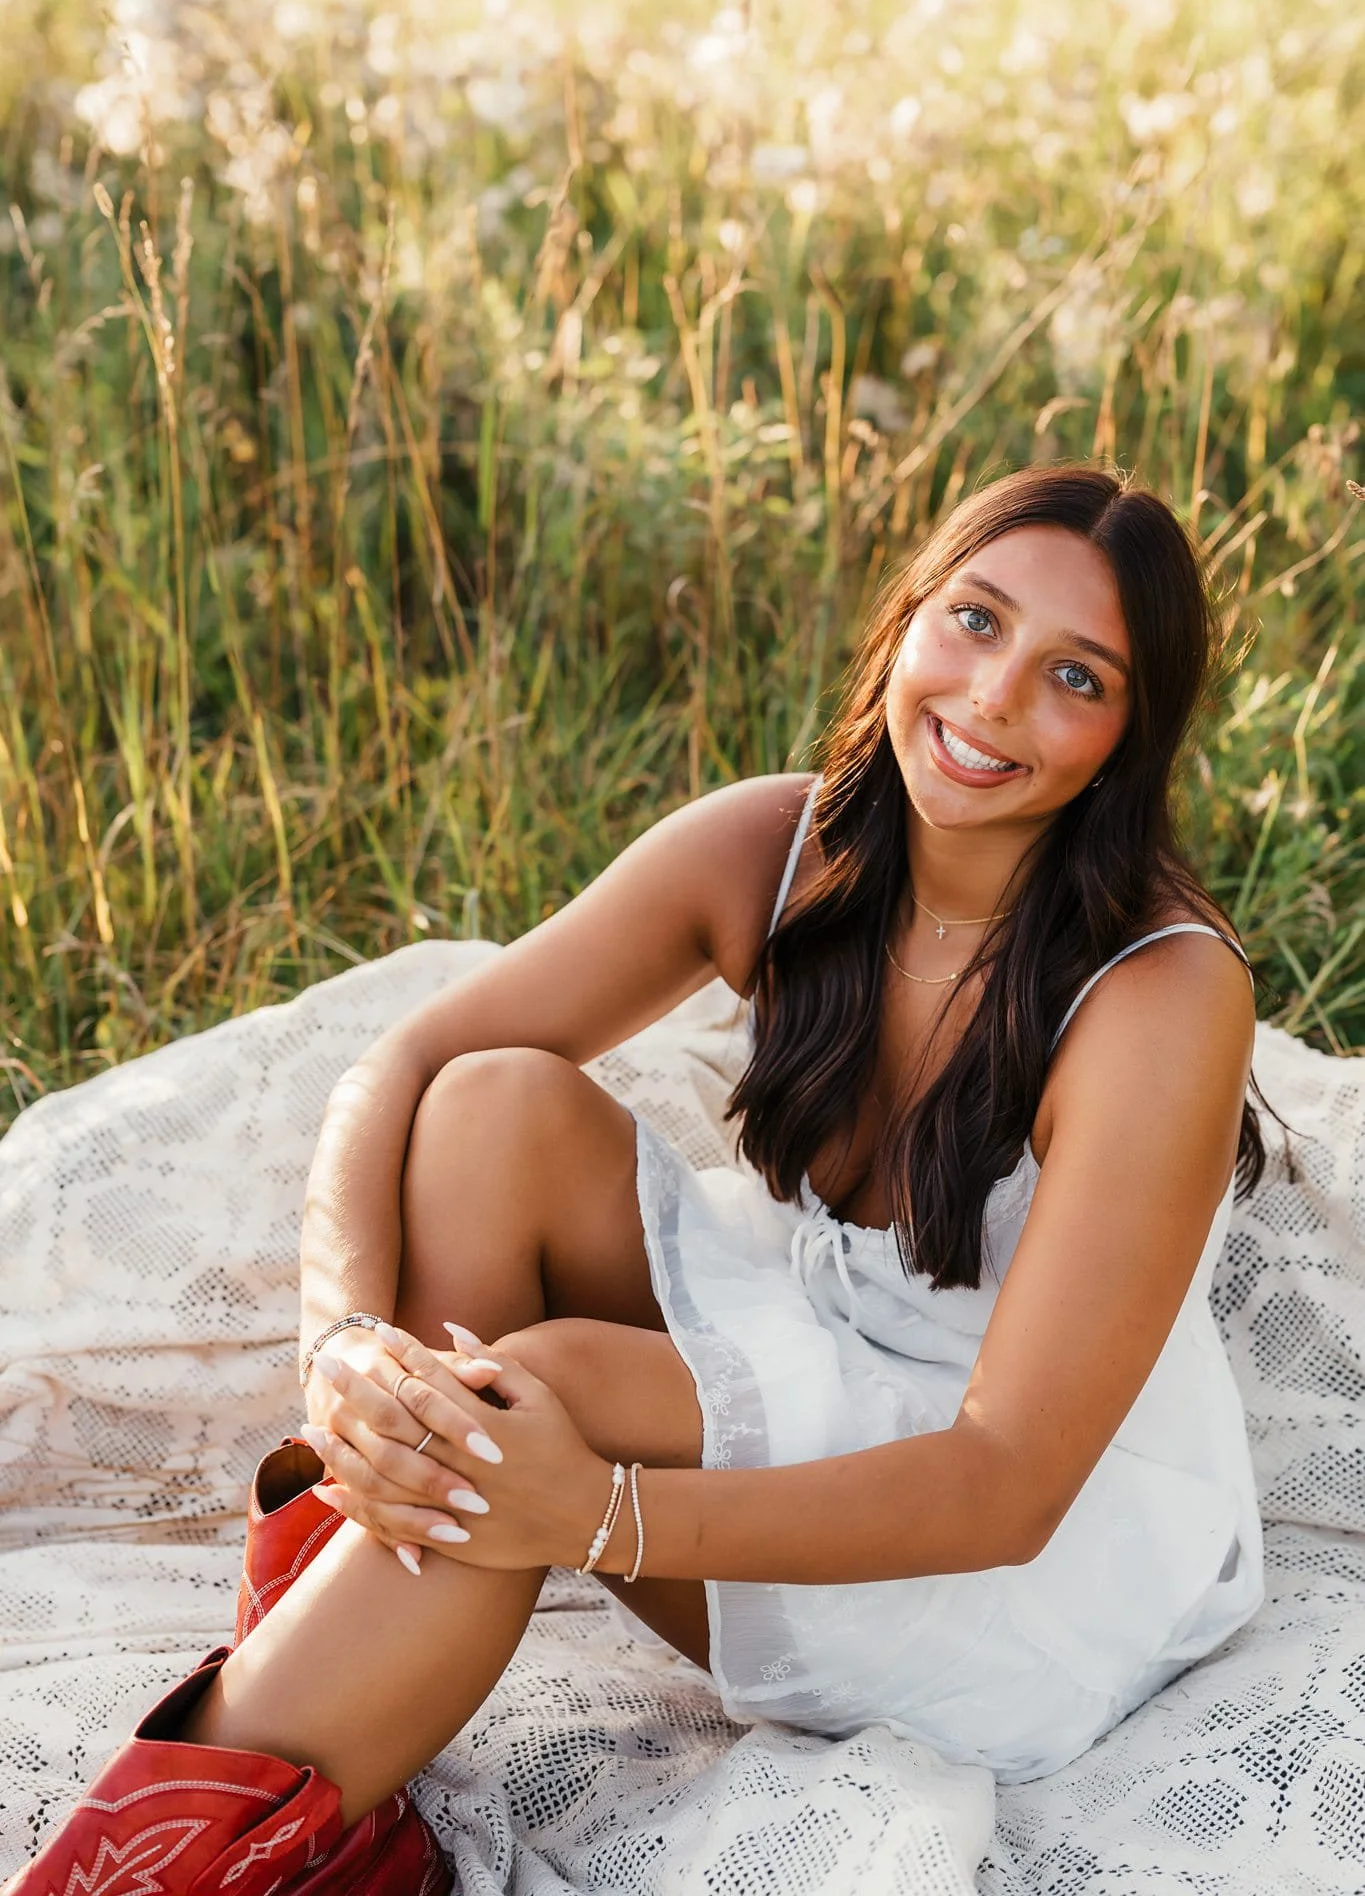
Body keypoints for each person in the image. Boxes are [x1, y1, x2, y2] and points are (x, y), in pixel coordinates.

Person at [10, 463, 1268, 1893]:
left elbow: (1007, 1486)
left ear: (1129, 735)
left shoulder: (1156, 1000)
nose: (990, 700)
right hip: (834, 1367)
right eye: (974, 622)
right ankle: (357, 1671)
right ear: (907, 618)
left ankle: (163, 1849)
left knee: (534, 1394)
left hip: (1017, 1567)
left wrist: (589, 1513)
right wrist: (347, 1348)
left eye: (1073, 677)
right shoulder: (781, 846)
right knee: (492, 1111)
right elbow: (404, 1065)